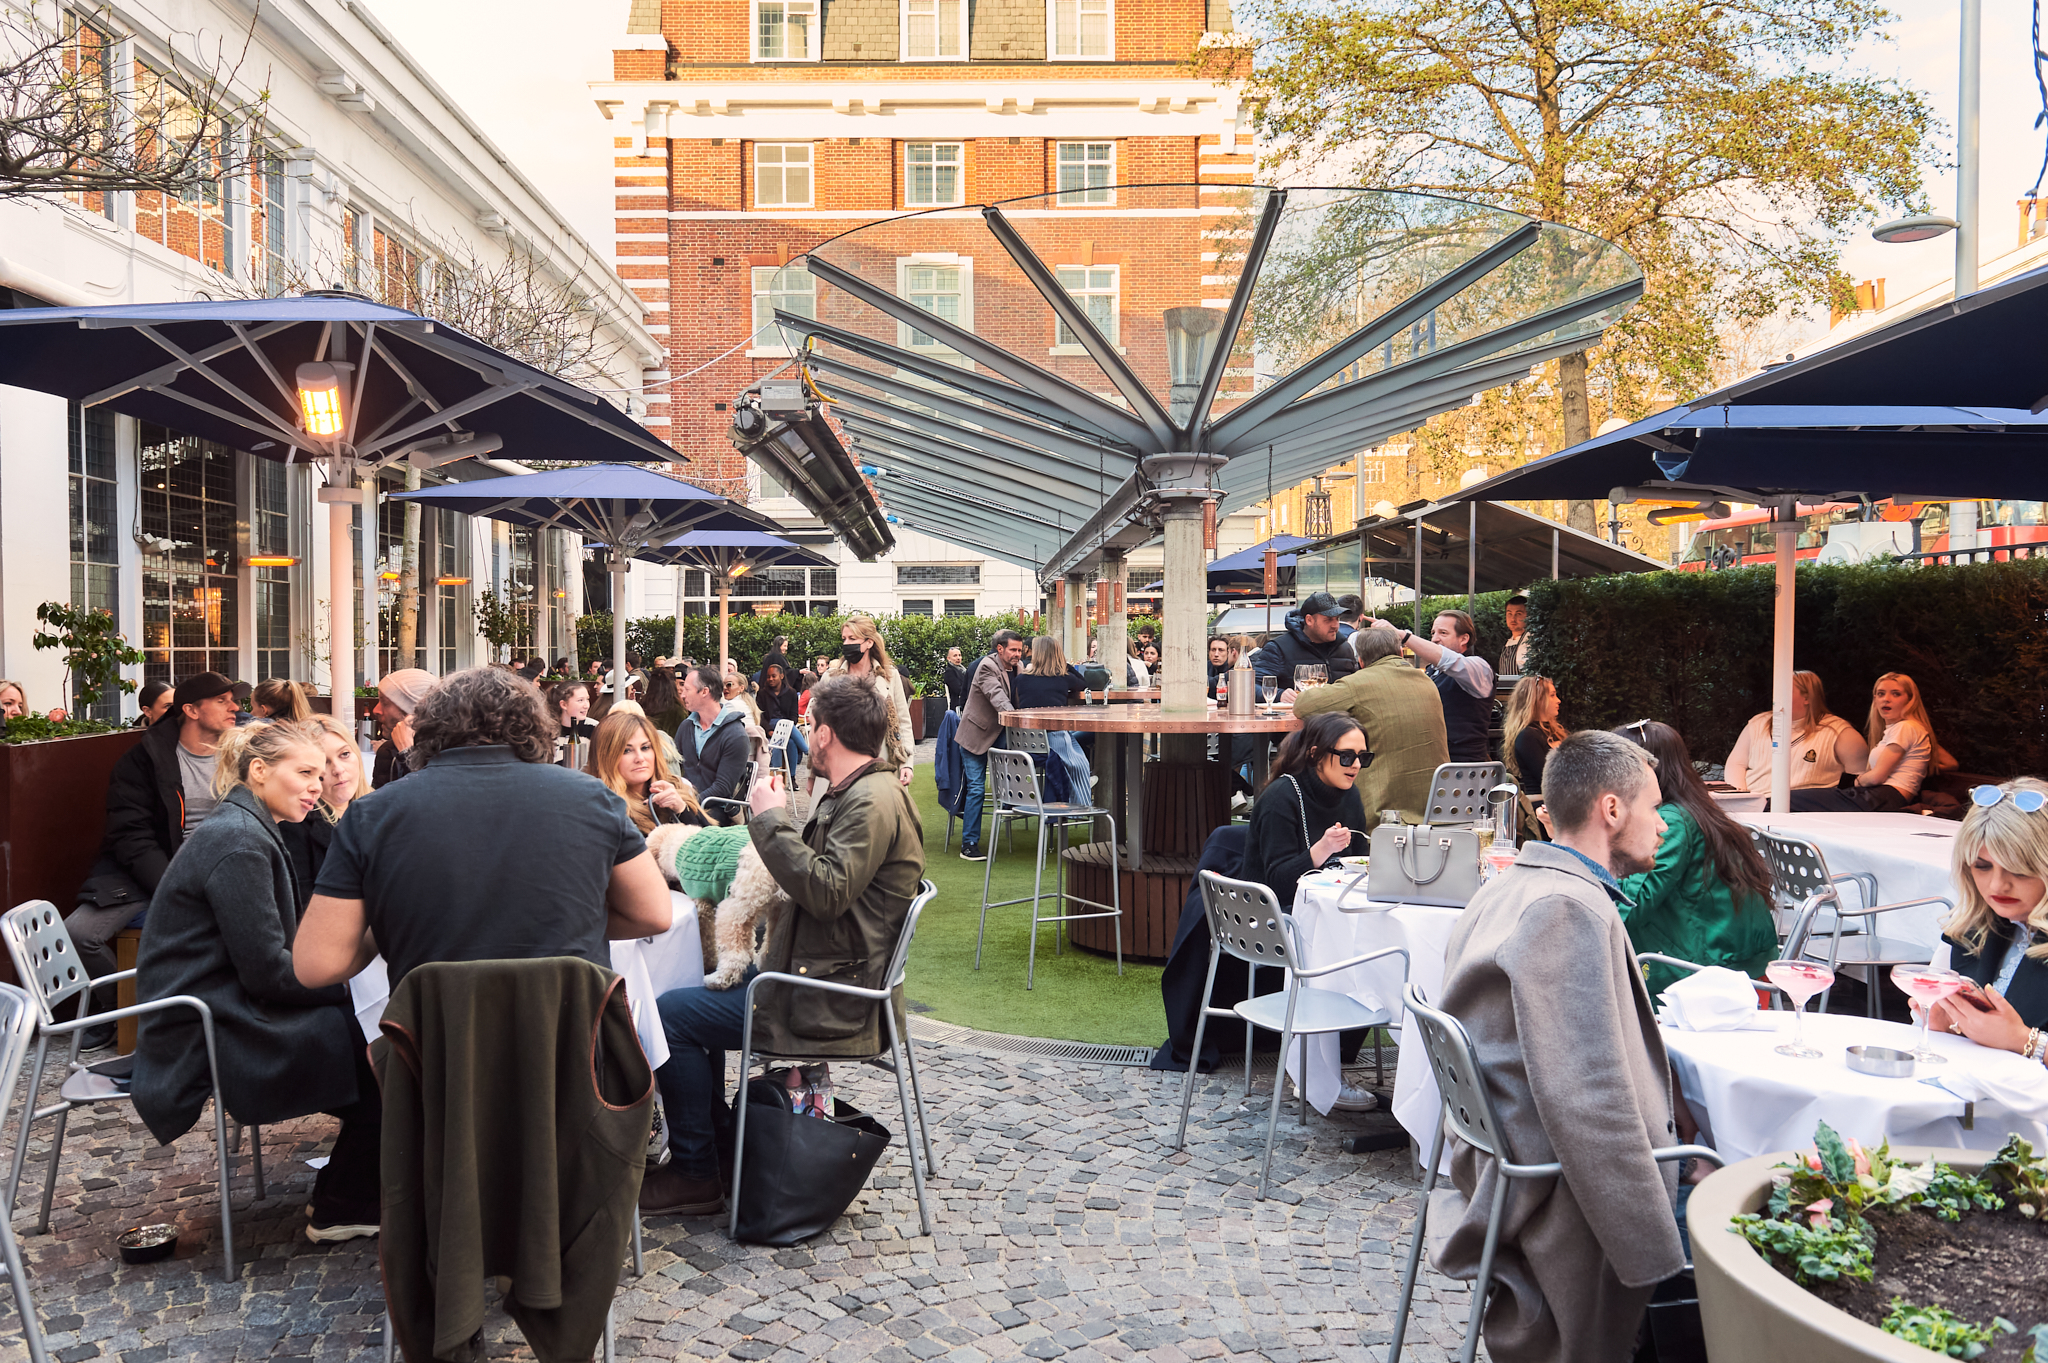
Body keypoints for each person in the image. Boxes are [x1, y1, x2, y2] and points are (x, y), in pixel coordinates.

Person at [1430, 731, 1683, 1363]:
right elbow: (1586, 1098)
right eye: (1655, 809)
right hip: (1550, 1186)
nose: (1663, 827)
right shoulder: (1568, 909)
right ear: (1612, 810)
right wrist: (1655, 1243)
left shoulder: (1512, 885)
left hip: (1501, 1155)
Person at [639, 675, 925, 1215]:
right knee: (693, 992)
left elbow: (825, 891)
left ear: (826, 735)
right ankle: (727, 1150)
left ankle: (699, 1170)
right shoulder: (866, 789)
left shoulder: (869, 802)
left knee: (668, 1016)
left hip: (826, 999)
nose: (807, 735)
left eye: (812, 725)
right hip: (819, 975)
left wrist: (769, 819)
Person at [131, 719, 382, 1243]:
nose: (318, 784)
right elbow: (269, 971)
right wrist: (357, 969)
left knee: (372, 1041)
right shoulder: (240, 840)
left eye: (322, 772)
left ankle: (349, 1189)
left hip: (221, 1001)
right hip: (206, 1023)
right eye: (305, 771)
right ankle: (343, 1204)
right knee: (380, 1061)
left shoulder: (246, 826)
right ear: (260, 771)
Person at [293, 666, 672, 993]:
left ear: (427, 729)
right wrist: (568, 924)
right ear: (534, 726)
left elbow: (318, 964)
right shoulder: (591, 798)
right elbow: (653, 913)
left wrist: (393, 920)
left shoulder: (371, 815)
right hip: (571, 1051)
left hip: (434, 1055)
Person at [69, 671, 243, 1049]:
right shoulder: (144, 759)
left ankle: (220, 1024)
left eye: (235, 699)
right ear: (191, 710)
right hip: (150, 872)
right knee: (79, 935)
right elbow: (130, 835)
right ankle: (115, 1013)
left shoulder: (245, 753)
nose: (235, 707)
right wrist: (170, 884)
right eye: (223, 700)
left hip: (225, 868)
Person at [1613, 720, 1779, 997]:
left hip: (1716, 980)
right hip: (1727, 961)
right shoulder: (1691, 808)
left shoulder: (1670, 821)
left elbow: (1630, 906)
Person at [1920, 778, 2048, 1049]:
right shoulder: (1970, 927)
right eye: (1982, 866)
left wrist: (2025, 1042)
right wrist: (1945, 1025)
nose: (1997, 885)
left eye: (2019, 870)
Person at [1292, 628, 1448, 829]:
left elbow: (1303, 706)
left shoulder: (1357, 684)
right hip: (1435, 807)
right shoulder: (1427, 682)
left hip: (1381, 810)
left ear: (1361, 662)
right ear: (1400, 653)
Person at [1240, 712, 1372, 912]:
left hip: (1334, 909)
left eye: (1363, 757)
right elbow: (1278, 886)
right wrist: (1323, 849)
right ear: (1315, 754)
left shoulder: (1350, 795)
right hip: (1276, 918)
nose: (1356, 765)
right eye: (1346, 756)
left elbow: (1362, 861)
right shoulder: (1281, 797)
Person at [1790, 671, 1951, 812]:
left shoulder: (1906, 727)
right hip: (1881, 797)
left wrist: (1857, 781)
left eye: (1895, 694)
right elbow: (1948, 763)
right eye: (1881, 694)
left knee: (1788, 800)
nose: (1886, 699)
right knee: (1794, 800)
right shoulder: (1905, 729)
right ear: (1874, 699)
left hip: (1884, 797)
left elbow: (1876, 778)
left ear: (1910, 699)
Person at [1367, 609, 1495, 763]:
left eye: (1443, 633)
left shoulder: (1478, 668)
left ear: (1464, 639)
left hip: (1464, 767)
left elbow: (1449, 660)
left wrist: (1403, 635)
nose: (1435, 639)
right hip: (1431, 761)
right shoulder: (1432, 671)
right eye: (1433, 633)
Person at [280, 713, 374, 911]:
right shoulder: (293, 827)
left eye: (344, 754)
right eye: (324, 762)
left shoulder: (380, 809)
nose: (338, 770)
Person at [1724, 670, 1870, 795]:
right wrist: (1740, 797)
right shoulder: (1758, 723)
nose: (1777, 694)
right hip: (1753, 806)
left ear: (1807, 697)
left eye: (1785, 689)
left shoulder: (1839, 732)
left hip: (1805, 813)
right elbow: (1735, 764)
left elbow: (1858, 782)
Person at [953, 629, 1027, 861]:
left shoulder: (1019, 667)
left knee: (1019, 773)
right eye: (1013, 650)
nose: (1018, 654)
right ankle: (969, 844)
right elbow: (998, 697)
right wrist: (1018, 718)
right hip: (976, 735)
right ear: (1000, 649)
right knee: (976, 788)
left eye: (1019, 650)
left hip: (1001, 733)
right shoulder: (986, 666)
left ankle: (1012, 810)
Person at [821, 616, 916, 787]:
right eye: (844, 639)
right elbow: (818, 727)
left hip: (881, 763)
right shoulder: (830, 678)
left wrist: (907, 763)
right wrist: (813, 774)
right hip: (840, 766)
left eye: (852, 638)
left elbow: (903, 722)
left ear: (869, 642)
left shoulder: (890, 676)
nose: (847, 644)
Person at [591, 709, 707, 833]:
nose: (640, 758)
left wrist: (682, 809)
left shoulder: (677, 787)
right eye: (626, 750)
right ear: (606, 757)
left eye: (645, 747)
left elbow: (714, 843)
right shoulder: (604, 808)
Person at [1016, 635, 1092, 801]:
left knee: (1065, 747)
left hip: (1024, 742)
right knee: (1076, 757)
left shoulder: (1021, 679)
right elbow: (1084, 683)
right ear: (1057, 654)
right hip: (1053, 741)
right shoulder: (1063, 679)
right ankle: (1078, 794)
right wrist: (1064, 664)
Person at [674, 663, 752, 818]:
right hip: (687, 804)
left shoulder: (735, 734)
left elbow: (722, 789)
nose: (682, 695)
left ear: (704, 692)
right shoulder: (687, 726)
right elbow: (672, 765)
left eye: (687, 690)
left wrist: (687, 803)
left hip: (716, 810)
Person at [1251, 591, 1360, 698]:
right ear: (1309, 620)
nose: (1335, 625)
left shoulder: (1344, 648)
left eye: (1337, 619)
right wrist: (1280, 695)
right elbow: (1252, 688)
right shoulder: (1279, 648)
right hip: (1294, 715)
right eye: (1328, 620)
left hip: (1340, 714)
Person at [370, 669, 436, 789]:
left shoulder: (448, 753)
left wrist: (407, 754)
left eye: (385, 703)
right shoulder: (388, 751)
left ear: (412, 714)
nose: (376, 710)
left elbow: (429, 800)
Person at [1502, 675, 1566, 792]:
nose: (1558, 700)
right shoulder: (1528, 736)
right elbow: (1548, 779)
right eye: (1552, 695)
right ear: (1538, 700)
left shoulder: (1553, 732)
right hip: (1543, 803)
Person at [757, 660, 806, 777]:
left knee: (791, 742)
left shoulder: (792, 693)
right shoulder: (762, 694)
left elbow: (794, 716)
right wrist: (769, 730)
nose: (770, 679)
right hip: (769, 726)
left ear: (782, 676)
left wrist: (786, 730)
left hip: (786, 729)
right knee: (779, 722)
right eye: (768, 677)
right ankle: (807, 750)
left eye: (774, 676)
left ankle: (791, 777)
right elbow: (760, 715)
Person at [550, 677, 597, 766]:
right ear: (564, 704)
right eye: (580, 700)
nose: (586, 705)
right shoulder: (549, 731)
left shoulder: (595, 728)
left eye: (587, 699)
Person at [1498, 592, 1531, 676]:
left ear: (1529, 616)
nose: (1513, 618)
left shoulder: (1531, 642)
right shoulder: (1509, 642)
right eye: (1509, 614)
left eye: (1518, 614)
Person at [942, 646, 971, 711]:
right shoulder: (949, 672)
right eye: (955, 656)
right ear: (948, 658)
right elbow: (958, 690)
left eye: (959, 655)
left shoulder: (963, 670)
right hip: (958, 704)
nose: (958, 658)